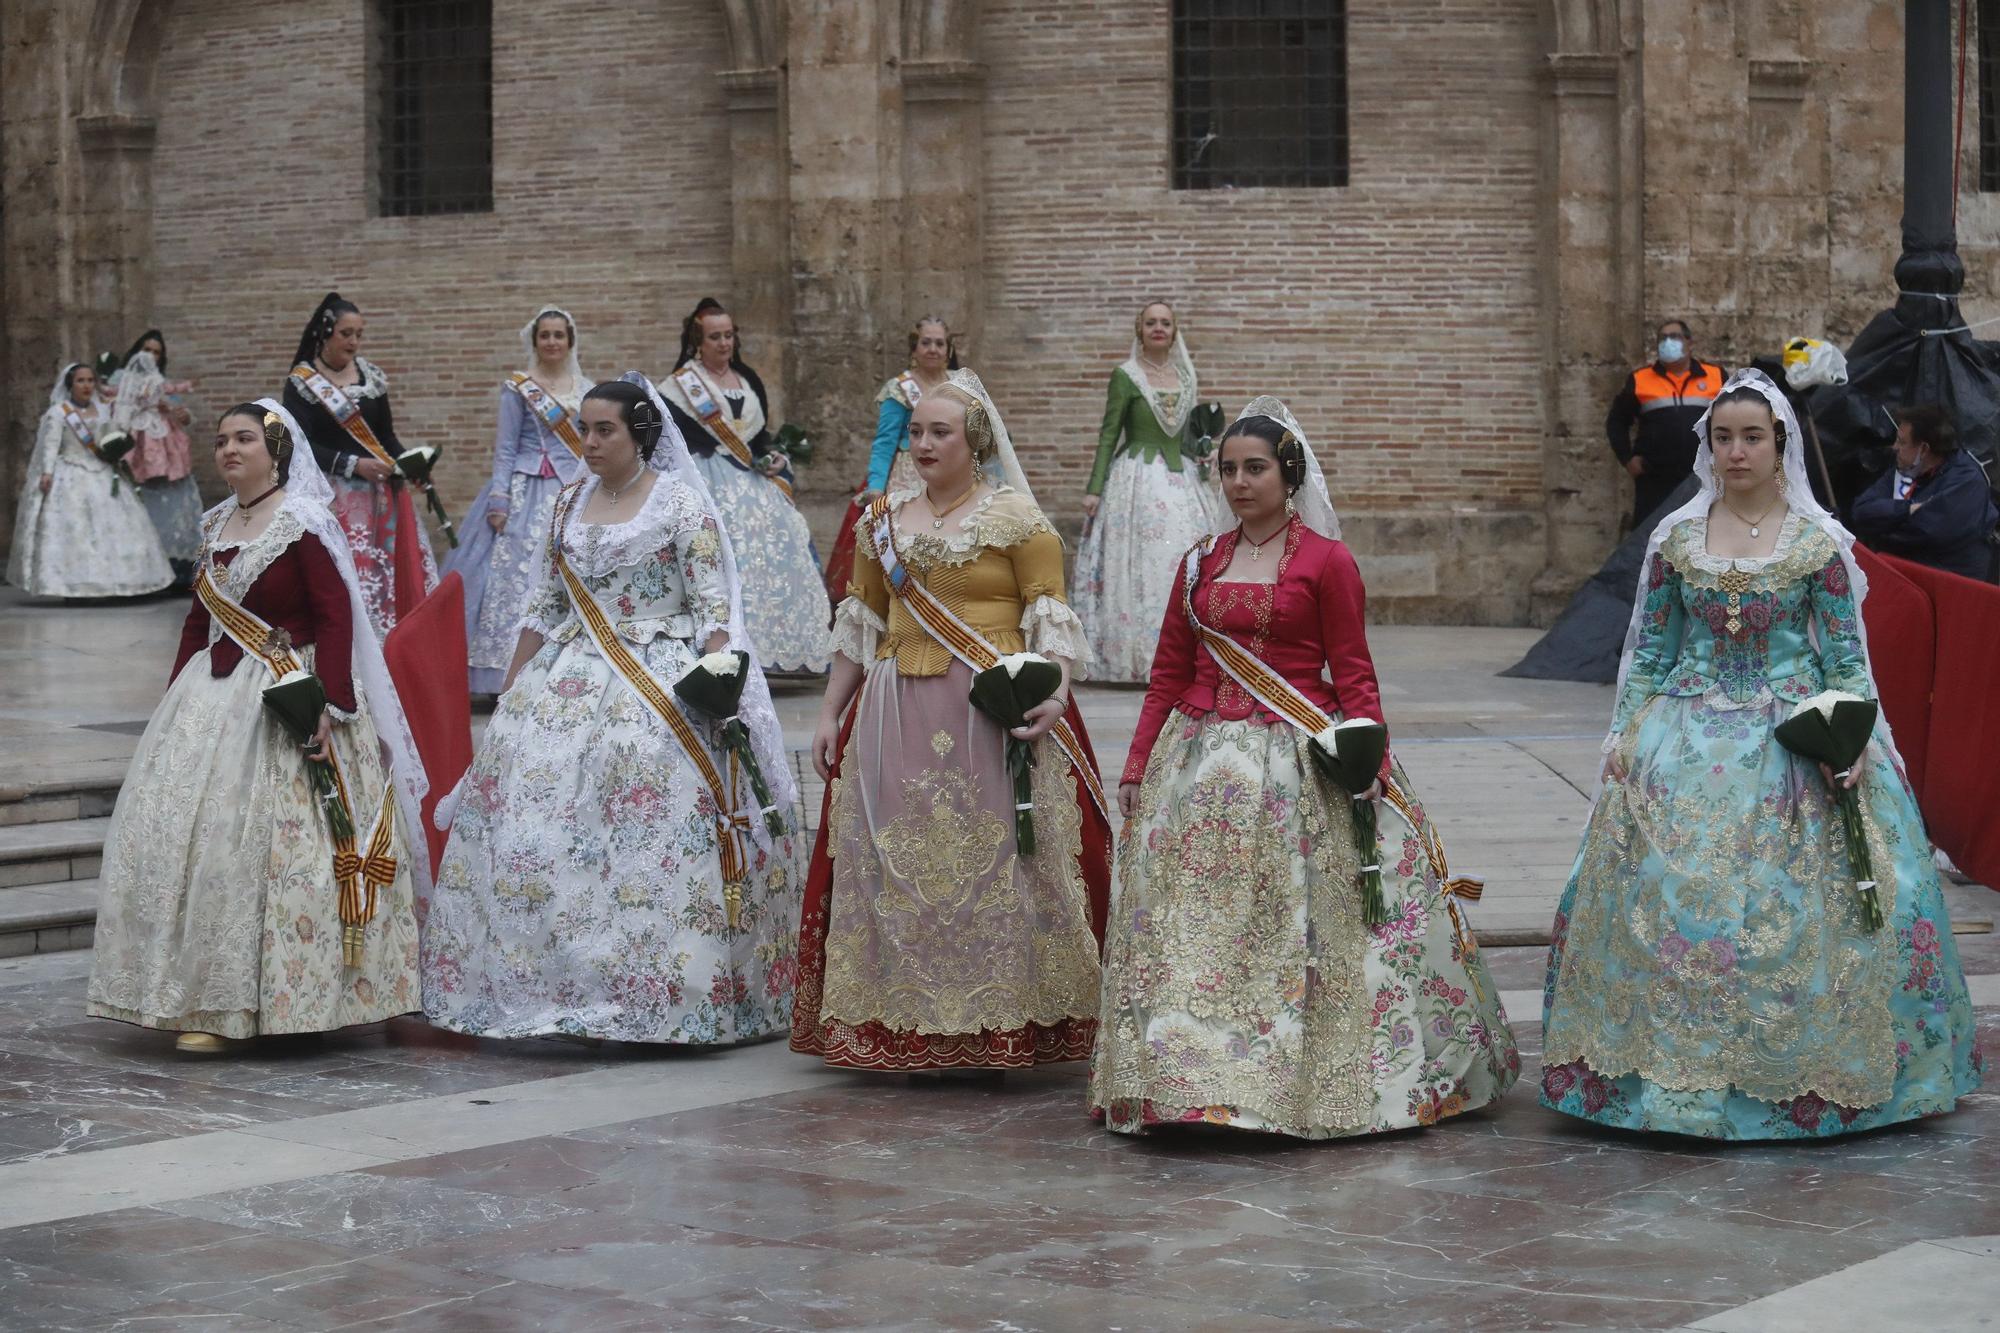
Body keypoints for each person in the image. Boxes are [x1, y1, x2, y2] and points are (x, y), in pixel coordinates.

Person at [1542, 369, 1982, 1139]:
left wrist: (1851, 743)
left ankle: (1812, 1072)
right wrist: (1628, 733)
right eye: (1722, 437)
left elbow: (1846, 663)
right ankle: (1664, 1071)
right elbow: (1649, 653)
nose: (1736, 451)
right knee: (1665, 896)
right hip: (1682, 740)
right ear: (1707, 445)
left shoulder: (1818, 545)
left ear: (1782, 446)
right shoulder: (1676, 540)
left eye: (1751, 437)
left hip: (1791, 742)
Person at [1089, 399, 1520, 1138]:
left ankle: (1293, 1079)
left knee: (1293, 927)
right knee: (1194, 929)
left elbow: (1354, 674)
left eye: (1254, 467)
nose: (1238, 481)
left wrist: (1370, 762)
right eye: (1227, 469)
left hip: (1296, 763)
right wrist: (1135, 764)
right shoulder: (1199, 560)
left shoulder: (1328, 560)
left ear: (1287, 474)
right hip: (1195, 766)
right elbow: (1168, 670)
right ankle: (1187, 1081)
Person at [422, 375, 804, 1044]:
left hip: (658, 674)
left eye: (605, 431)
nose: (590, 442)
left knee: (640, 794)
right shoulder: (566, 502)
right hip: (564, 674)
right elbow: (543, 607)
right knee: (536, 818)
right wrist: (512, 694)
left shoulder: (680, 505)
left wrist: (716, 686)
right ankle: (555, 981)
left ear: (641, 434)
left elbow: (714, 610)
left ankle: (663, 991)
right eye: (586, 429)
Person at [792, 369, 1112, 1072]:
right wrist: (827, 710)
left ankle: (1001, 1018)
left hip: (989, 709)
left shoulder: (1018, 520)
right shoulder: (881, 522)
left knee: (996, 859)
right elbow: (863, 621)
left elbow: (1051, 621)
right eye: (917, 432)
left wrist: (1053, 694)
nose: (925, 443)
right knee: (895, 859)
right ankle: (900, 1019)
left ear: (974, 441)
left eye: (941, 432)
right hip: (895, 709)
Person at [85, 400, 426, 1052]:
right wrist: (171, 705)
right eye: (221, 440)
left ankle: (289, 998)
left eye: (244, 438)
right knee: (192, 838)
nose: (229, 449)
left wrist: (329, 706)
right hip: (210, 698)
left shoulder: (302, 522)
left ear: (276, 451)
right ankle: (198, 998)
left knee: (269, 847)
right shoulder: (216, 526)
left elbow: (334, 617)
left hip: (287, 693)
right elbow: (196, 623)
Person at [661, 297, 830, 673]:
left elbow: (760, 436)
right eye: (715, 337)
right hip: (709, 481)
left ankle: (776, 654)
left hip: (754, 484)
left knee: (781, 549)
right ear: (698, 342)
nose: (724, 344)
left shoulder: (748, 378)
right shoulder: (678, 388)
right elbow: (675, 444)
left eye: (729, 336)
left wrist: (777, 456)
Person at [442, 305, 593, 694]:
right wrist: (499, 498)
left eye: (559, 335)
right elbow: (505, 448)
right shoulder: (518, 387)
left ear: (570, 341)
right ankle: (501, 674)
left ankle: (558, 668)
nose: (552, 342)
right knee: (508, 579)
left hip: (567, 491)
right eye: (545, 335)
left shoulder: (585, 388)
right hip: (524, 493)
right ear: (535, 340)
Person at [1072, 301, 1224, 682]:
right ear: (1139, 331)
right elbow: (1109, 434)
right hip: (1135, 480)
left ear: (1175, 332)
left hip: (1182, 478)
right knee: (1139, 559)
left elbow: (1188, 435)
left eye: (1166, 323)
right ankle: (1139, 658)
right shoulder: (1125, 376)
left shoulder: (1186, 376)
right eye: (1151, 323)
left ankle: (1188, 655)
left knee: (1184, 556)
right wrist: (1094, 489)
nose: (1159, 328)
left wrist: (1204, 450)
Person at [282, 291, 438, 639]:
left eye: (359, 334)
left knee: (385, 577)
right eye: (346, 334)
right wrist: (352, 464)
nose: (354, 342)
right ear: (325, 334)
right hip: (331, 495)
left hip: (379, 497)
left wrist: (411, 464)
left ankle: (389, 646)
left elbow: (386, 438)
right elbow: (301, 443)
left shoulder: (371, 378)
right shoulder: (302, 383)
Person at [821, 315, 961, 604]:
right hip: (909, 475)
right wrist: (875, 485)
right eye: (926, 343)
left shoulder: (960, 386)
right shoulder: (900, 389)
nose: (933, 349)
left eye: (940, 343)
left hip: (954, 474)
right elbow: (884, 443)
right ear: (914, 348)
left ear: (949, 348)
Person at [6, 362, 173, 598]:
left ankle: (117, 583)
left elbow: (109, 434)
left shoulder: (102, 409)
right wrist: (47, 472)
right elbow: (50, 444)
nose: (86, 385)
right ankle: (73, 587)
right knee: (75, 530)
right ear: (70, 385)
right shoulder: (58, 412)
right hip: (71, 474)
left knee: (115, 527)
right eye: (80, 381)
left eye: (90, 380)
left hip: (102, 470)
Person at [1849, 404, 1997, 582]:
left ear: (1924, 449)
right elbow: (1861, 511)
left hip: (1951, 587)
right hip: (1906, 577)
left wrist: (1883, 524)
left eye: (1902, 442)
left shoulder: (1967, 481)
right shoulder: (1903, 471)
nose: (1894, 447)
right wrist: (1908, 509)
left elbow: (1929, 531)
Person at [1605, 318, 1726, 529]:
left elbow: (1733, 416)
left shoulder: (1715, 376)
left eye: (1675, 337)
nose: (1668, 342)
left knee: (1705, 536)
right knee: (1651, 537)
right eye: (1663, 338)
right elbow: (1616, 422)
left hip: (1702, 477)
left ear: (1690, 343)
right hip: (1655, 479)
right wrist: (1627, 459)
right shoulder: (1640, 379)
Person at [107, 330, 204, 586]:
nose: (150, 355)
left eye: (156, 352)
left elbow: (179, 411)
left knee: (169, 506)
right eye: (146, 350)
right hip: (132, 449)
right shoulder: (120, 379)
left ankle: (175, 567)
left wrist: (183, 416)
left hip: (165, 451)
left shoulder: (160, 381)